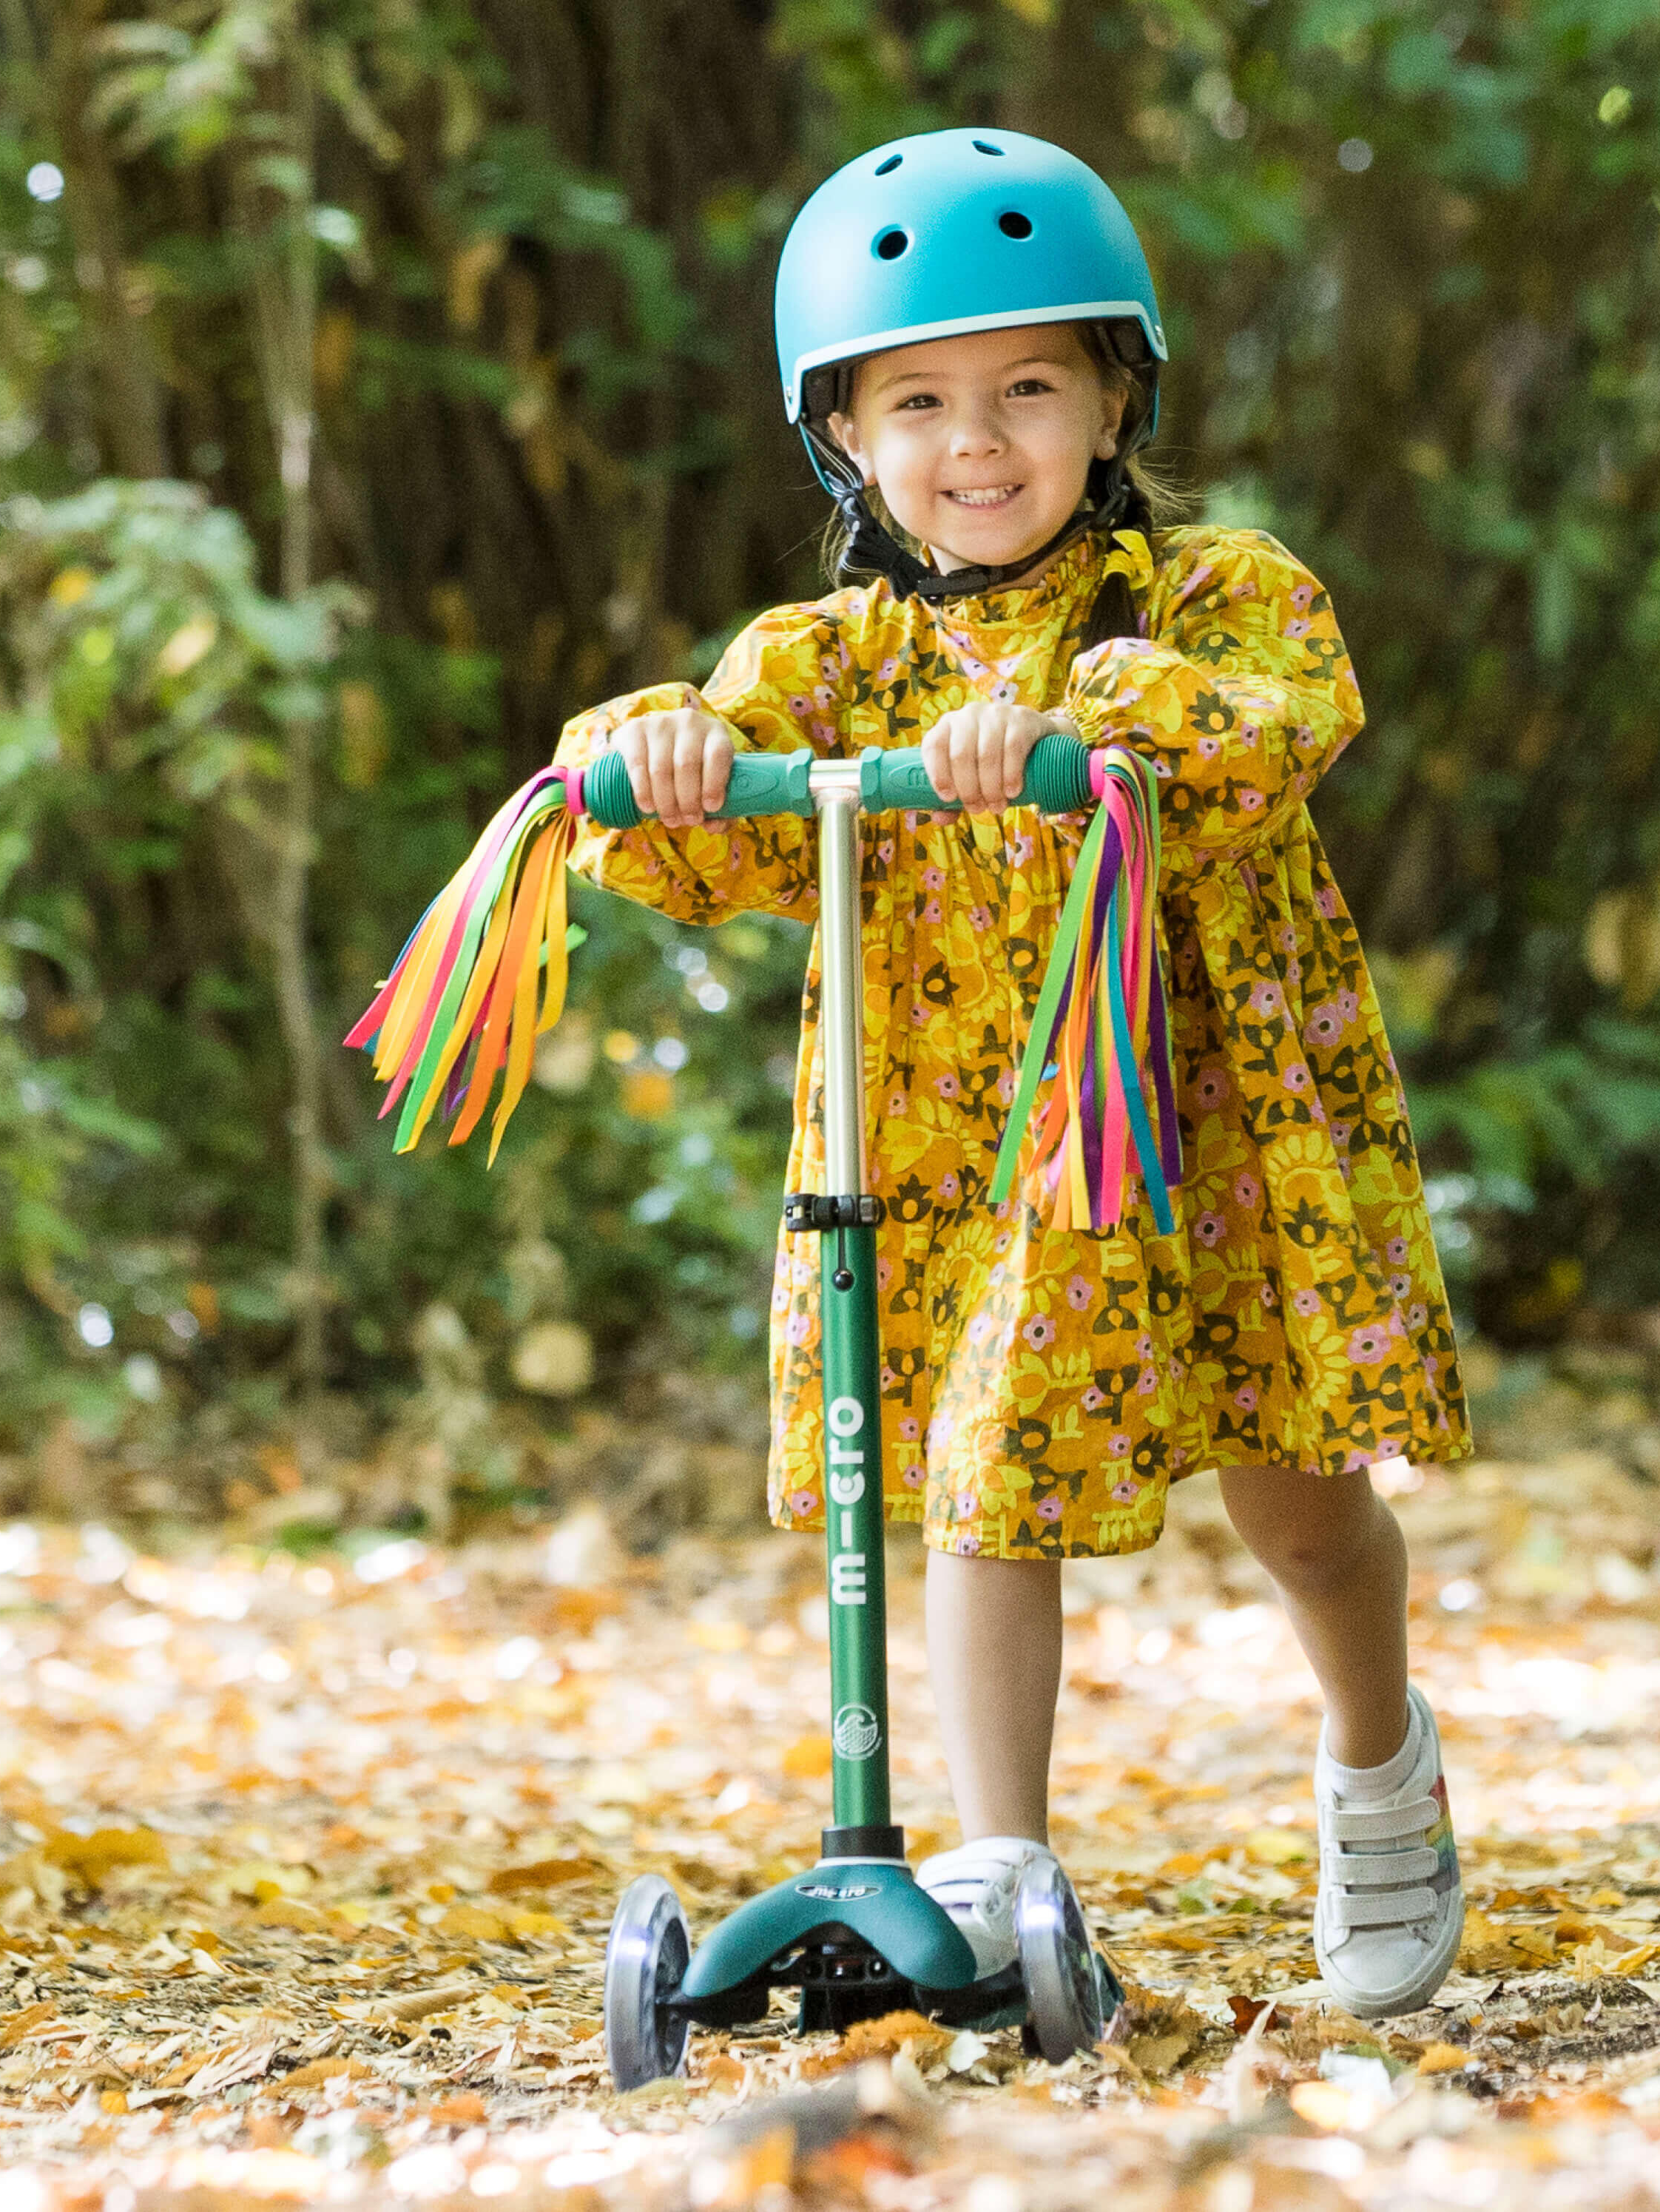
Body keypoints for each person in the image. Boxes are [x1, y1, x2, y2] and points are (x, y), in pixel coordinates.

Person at [552, 129, 1475, 2020]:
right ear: (847, 438)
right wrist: (651, 757)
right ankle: (994, 1868)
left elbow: (1269, 732)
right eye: (921, 401)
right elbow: (711, 809)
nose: (977, 440)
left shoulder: (1220, 599)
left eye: (1026, 387)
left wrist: (1077, 720)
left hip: (1204, 1125)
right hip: (957, 1145)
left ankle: (1378, 1761)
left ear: (1113, 395)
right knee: (974, 1470)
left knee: (1296, 1497)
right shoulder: (831, 662)